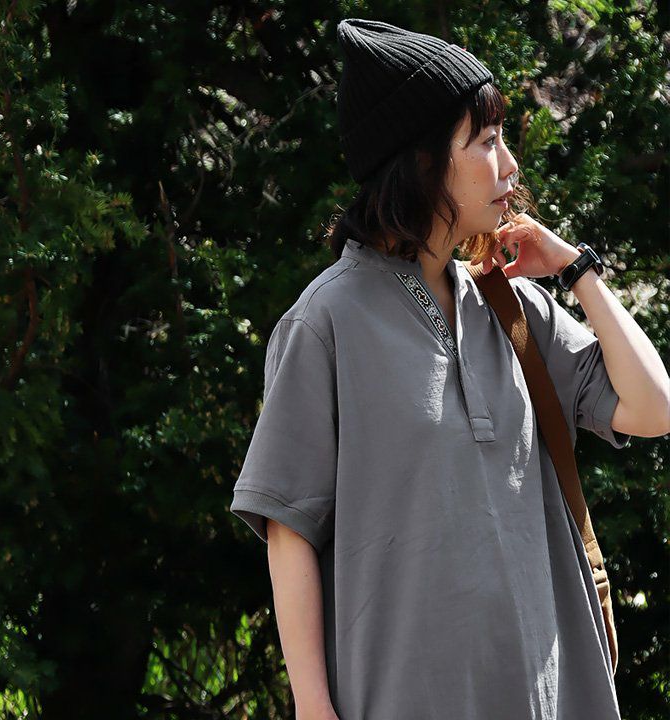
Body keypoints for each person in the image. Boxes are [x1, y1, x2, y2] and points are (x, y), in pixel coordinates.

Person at [229, 17, 670, 720]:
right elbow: (289, 528)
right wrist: (313, 708)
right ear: (422, 160)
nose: (510, 167)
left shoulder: (513, 310)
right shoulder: (325, 322)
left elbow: (654, 408)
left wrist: (578, 271)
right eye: (487, 142)